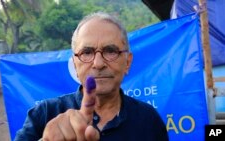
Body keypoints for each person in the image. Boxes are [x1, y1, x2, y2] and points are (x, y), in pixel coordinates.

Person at [15, 11, 169, 141]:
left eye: (110, 51)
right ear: (75, 64)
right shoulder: (44, 114)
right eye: (87, 52)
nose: (98, 63)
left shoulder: (148, 120)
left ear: (127, 63)